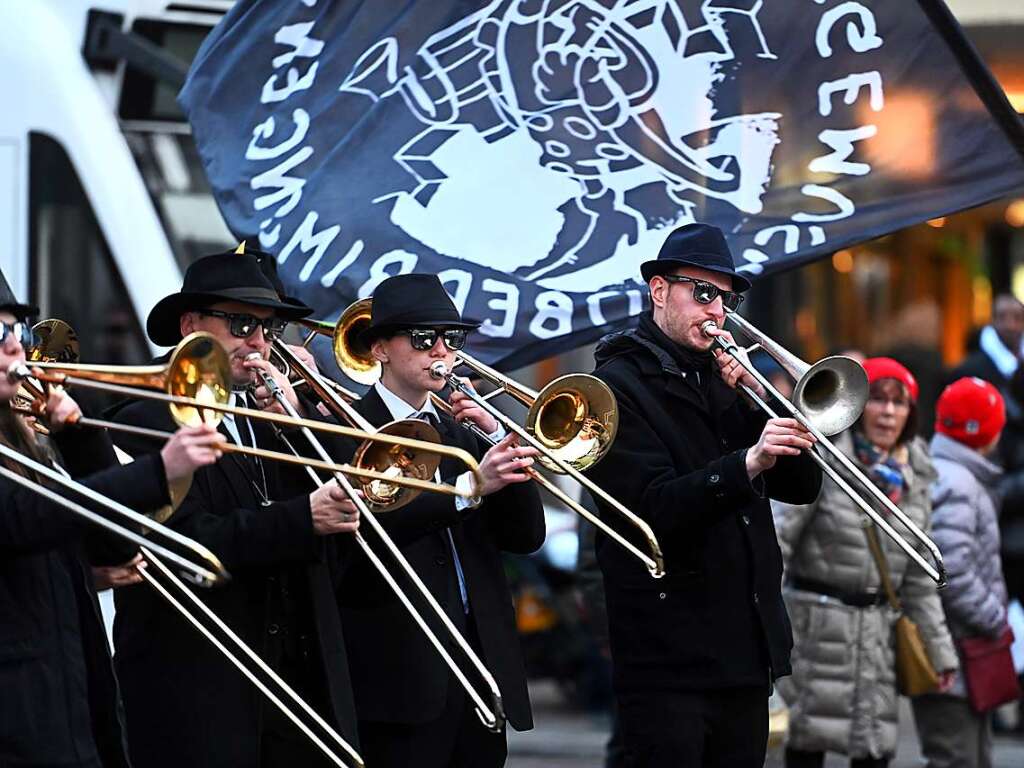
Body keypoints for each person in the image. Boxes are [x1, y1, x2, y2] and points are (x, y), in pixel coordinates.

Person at [107, 248, 363, 768]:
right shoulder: (144, 418)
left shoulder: (273, 416)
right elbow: (181, 546)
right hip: (199, 688)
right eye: (242, 323)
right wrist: (300, 518)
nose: (259, 343)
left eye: (268, 330)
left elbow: (350, 499)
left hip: (292, 686)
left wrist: (301, 425)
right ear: (190, 325)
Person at [586, 222, 823, 768]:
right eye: (704, 292)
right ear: (660, 291)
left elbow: (803, 486)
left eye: (727, 297)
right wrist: (748, 462)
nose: (717, 310)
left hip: (745, 648)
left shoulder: (727, 377)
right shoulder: (617, 385)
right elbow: (651, 509)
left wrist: (761, 401)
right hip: (667, 657)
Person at [0, 272, 221, 767]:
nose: (16, 349)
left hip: (73, 706)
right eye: (0, 334)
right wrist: (161, 469)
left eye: (20, 332)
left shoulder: (25, 441)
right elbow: (25, 519)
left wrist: (79, 437)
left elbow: (116, 544)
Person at [335, 273, 545, 768]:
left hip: (480, 663)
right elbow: (364, 541)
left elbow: (525, 536)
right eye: (424, 339)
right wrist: (469, 490)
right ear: (380, 349)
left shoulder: (463, 431)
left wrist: (496, 437)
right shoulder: (347, 431)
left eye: (452, 340)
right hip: (399, 672)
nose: (442, 353)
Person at [774, 357, 958, 768]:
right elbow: (778, 543)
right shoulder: (821, 458)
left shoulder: (916, 476)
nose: (888, 411)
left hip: (877, 640)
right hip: (815, 632)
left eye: (900, 401)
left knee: (874, 750)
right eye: (877, 399)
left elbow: (918, 582)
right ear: (857, 403)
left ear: (911, 413)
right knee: (806, 747)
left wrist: (940, 654)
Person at [913, 377, 1010, 768]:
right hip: (956, 651)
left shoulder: (951, 472)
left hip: (959, 651)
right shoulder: (959, 483)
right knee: (957, 755)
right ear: (989, 431)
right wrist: (995, 618)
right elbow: (952, 571)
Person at [951, 295, 1024, 669]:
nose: (1011, 325)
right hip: (1006, 539)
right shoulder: (973, 369)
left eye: (1018, 317)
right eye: (1004, 317)